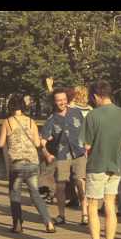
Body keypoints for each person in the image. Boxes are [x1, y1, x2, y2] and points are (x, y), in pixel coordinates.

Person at [0, 93, 56, 234]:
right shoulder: (31, 121)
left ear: (10, 106)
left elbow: (1, 143)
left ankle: (18, 224)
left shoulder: (7, 122)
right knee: (35, 193)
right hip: (32, 162)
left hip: (17, 163)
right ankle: (49, 222)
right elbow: (38, 143)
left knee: (15, 193)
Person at [81, 81, 121, 239]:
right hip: (115, 165)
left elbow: (86, 144)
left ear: (95, 96)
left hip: (96, 165)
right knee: (110, 205)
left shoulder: (92, 116)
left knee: (93, 205)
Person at [41, 88, 88, 225]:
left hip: (79, 153)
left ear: (67, 99)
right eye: (59, 100)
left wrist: (87, 146)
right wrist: (47, 154)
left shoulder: (76, 113)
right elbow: (42, 141)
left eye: (63, 99)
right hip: (62, 155)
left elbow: (85, 130)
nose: (62, 102)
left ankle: (84, 214)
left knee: (81, 183)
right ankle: (61, 215)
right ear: (54, 102)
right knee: (60, 186)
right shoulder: (51, 119)